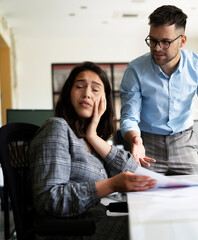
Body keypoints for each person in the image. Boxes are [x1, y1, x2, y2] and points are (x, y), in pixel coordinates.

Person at [28, 61, 156, 240]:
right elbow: (48, 200)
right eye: (79, 86)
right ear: (68, 94)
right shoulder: (57, 128)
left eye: (95, 90)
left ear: (105, 101)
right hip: (75, 231)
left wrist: (93, 136)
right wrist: (110, 185)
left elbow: (135, 171)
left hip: (96, 223)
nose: (87, 93)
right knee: (158, 230)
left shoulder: (91, 141)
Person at [120, 5, 198, 175]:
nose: (157, 48)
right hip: (146, 145)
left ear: (182, 41)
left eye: (165, 42)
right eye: (152, 40)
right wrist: (136, 140)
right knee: (143, 198)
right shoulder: (135, 70)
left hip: (184, 143)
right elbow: (129, 117)